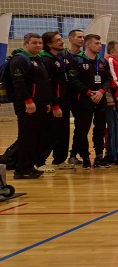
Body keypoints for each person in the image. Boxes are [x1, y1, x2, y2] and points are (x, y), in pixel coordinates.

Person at [8, 33, 53, 179]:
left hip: (39, 105)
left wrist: (46, 102)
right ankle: (21, 170)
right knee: (27, 137)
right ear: (26, 44)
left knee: (35, 137)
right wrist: (28, 101)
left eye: (40, 43)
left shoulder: (36, 59)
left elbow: (43, 83)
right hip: (27, 105)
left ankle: (29, 166)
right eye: (34, 43)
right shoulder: (19, 59)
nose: (38, 45)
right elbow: (19, 83)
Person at [68, 33, 111, 168]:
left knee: (100, 129)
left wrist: (101, 91)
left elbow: (108, 79)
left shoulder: (102, 61)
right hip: (83, 100)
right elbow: (73, 80)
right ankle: (85, 157)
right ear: (87, 44)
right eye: (96, 43)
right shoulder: (77, 60)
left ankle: (99, 157)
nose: (99, 46)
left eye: (100, 43)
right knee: (82, 129)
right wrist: (88, 92)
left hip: (100, 99)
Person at [36, 32, 72, 170]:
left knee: (62, 132)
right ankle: (40, 162)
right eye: (57, 40)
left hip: (64, 101)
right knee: (49, 133)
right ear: (49, 44)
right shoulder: (46, 60)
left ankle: (59, 160)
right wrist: (55, 104)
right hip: (53, 103)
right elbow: (49, 86)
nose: (61, 41)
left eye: (61, 39)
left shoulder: (59, 57)